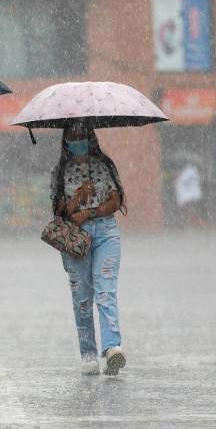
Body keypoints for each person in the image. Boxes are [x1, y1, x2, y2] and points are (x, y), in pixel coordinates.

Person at [51, 121, 126, 376]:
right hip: (76, 238)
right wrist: (78, 199)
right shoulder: (60, 171)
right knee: (82, 298)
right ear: (66, 140)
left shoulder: (105, 165)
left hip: (106, 232)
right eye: (73, 136)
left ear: (90, 136)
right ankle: (88, 353)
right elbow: (59, 211)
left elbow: (117, 200)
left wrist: (92, 210)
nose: (78, 140)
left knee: (105, 290)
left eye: (82, 135)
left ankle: (112, 347)